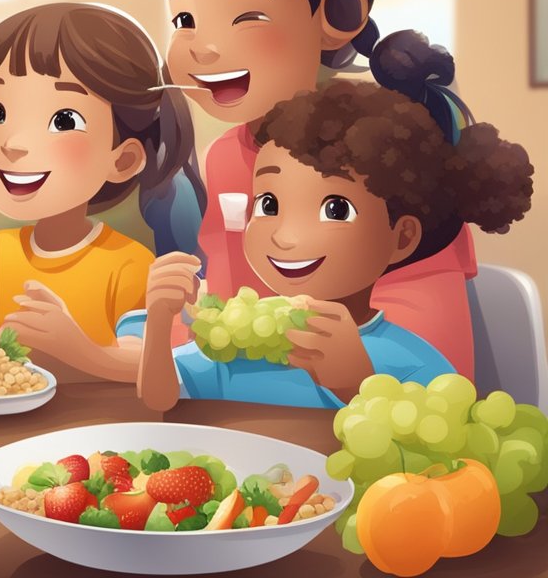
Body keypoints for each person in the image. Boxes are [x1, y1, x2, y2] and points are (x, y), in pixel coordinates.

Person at [137, 0, 481, 377]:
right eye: (184, 19)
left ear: (338, 13)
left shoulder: (393, 152)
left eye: (245, 14)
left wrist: (351, 368)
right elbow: (231, 316)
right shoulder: (228, 158)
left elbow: (438, 359)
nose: (203, 47)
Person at [138, 32, 534, 410]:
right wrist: (158, 325)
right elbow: (161, 397)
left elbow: (440, 455)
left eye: (336, 210)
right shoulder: (244, 342)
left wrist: (358, 383)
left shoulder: (409, 361)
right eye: (269, 204)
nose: (285, 238)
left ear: (402, 237)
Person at [0, 3, 204, 382]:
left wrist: (80, 351)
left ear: (122, 160)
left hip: (92, 434)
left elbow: (151, 367)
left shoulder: (128, 266)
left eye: (63, 120)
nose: (14, 143)